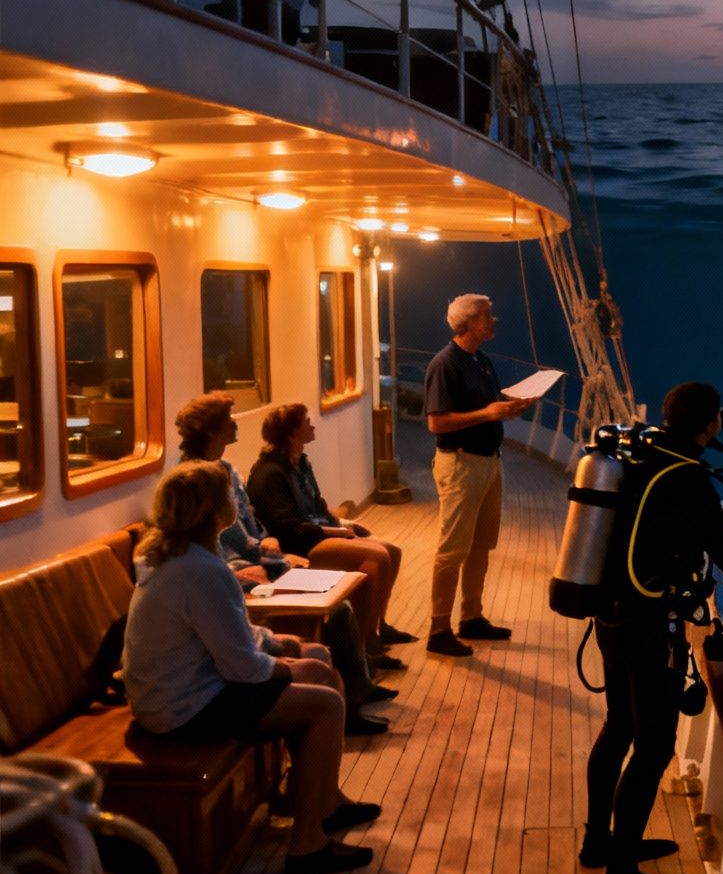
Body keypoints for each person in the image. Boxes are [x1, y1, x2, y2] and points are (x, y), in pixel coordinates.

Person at [122, 462, 382, 874]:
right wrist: (284, 664)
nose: (234, 502)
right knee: (327, 703)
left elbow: (229, 632)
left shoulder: (168, 555)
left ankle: (322, 801)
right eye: (227, 496)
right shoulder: (202, 571)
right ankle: (307, 845)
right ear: (213, 512)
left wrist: (283, 646)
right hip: (183, 708)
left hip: (171, 692)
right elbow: (243, 667)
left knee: (318, 662)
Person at [585, 382, 723, 874]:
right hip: (650, 627)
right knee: (655, 747)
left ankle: (601, 842)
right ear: (710, 423)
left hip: (611, 612)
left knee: (618, 725)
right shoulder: (690, 477)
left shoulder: (640, 454)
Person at [170, 393, 396, 734]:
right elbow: (203, 548)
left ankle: (356, 684)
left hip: (256, 561)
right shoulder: (191, 481)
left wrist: (266, 544)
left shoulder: (228, 471)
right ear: (213, 431)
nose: (235, 425)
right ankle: (345, 704)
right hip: (234, 574)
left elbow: (249, 522)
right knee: (336, 608)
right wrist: (245, 568)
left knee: (339, 598)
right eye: (229, 421)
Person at [246, 403, 410, 665]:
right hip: (300, 543)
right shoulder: (270, 474)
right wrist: (338, 531)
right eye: (306, 422)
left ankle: (379, 623)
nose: (312, 425)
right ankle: (366, 641)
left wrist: (345, 523)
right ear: (291, 433)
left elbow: (318, 505)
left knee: (392, 550)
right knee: (377, 557)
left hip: (318, 531)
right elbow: (289, 527)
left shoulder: (300, 463)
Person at [422, 293, 536, 658]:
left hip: (488, 462)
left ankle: (471, 617)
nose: (494, 321)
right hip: (460, 463)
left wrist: (509, 408)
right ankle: (438, 629)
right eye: (487, 315)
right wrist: (489, 414)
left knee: (481, 545)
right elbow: (436, 422)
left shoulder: (480, 361)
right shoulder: (446, 364)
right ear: (468, 322)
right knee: (452, 549)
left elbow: (487, 408)